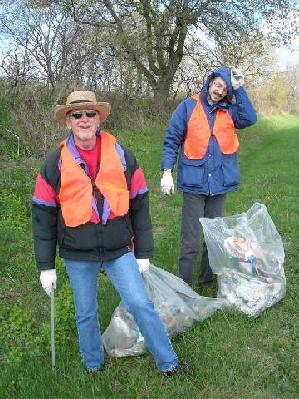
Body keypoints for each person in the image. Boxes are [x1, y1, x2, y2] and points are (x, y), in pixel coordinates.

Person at [32, 90, 181, 375]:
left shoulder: (123, 155)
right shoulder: (54, 163)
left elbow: (139, 202)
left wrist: (144, 252)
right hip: (77, 252)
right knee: (85, 313)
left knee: (141, 304)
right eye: (77, 115)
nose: (84, 120)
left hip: (118, 248)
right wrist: (45, 266)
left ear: (99, 118)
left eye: (90, 114)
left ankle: (169, 363)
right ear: (67, 121)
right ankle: (93, 366)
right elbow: (42, 216)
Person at [160, 67, 257, 288]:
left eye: (225, 88)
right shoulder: (188, 106)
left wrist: (239, 89)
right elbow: (172, 138)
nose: (219, 91)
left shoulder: (231, 110)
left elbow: (250, 118)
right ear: (209, 83)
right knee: (191, 240)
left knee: (214, 237)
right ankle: (183, 287)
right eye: (217, 85)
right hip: (194, 184)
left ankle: (206, 282)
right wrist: (167, 171)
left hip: (220, 184)